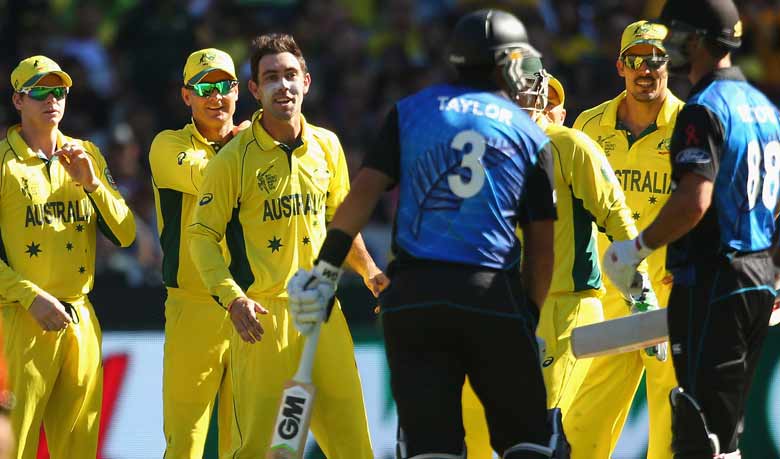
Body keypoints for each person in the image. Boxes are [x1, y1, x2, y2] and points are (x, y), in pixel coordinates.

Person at [286, 9, 570, 459]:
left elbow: (358, 200)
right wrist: (528, 319)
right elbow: (541, 246)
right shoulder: (529, 132)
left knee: (431, 449)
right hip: (490, 294)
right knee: (530, 444)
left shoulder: (411, 111)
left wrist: (324, 271)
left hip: (414, 299)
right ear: (508, 64)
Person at [187, 33, 386, 459]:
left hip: (324, 318)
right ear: (255, 90)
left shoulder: (328, 146)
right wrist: (232, 298)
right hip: (264, 325)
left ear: (307, 82)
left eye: (290, 75)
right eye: (271, 77)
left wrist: (371, 272)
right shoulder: (232, 160)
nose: (284, 86)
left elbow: (341, 225)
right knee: (263, 452)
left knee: (355, 450)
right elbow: (200, 236)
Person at [603, 1, 780, 457]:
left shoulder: (703, 108)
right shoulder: (762, 105)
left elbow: (694, 202)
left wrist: (637, 248)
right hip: (756, 278)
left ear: (697, 40)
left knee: (699, 436)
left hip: (714, 280)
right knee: (725, 437)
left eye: (677, 35)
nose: (672, 46)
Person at [460, 60, 645, 459]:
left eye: (530, 87)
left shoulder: (569, 145)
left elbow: (617, 216)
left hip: (566, 309)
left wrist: (639, 289)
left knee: (541, 437)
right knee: (466, 435)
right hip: (500, 312)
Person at [0, 56, 135, 459]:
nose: (52, 99)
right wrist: (29, 295)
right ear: (18, 100)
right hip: (18, 321)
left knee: (78, 448)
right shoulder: (3, 164)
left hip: (80, 319)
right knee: (13, 446)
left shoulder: (85, 152)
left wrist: (93, 184)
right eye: (40, 91)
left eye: (59, 90)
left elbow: (126, 233)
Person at [569, 20, 685, 459]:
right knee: (581, 431)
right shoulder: (589, 125)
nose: (646, 69)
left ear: (668, 65)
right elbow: (573, 210)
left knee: (673, 434)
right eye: (636, 59)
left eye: (656, 59)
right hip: (608, 302)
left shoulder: (691, 126)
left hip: (672, 300)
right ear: (621, 65)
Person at [149, 48, 249, 459]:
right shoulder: (167, 145)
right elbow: (211, 179)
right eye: (205, 87)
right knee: (186, 440)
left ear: (238, 91)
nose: (216, 96)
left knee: (247, 442)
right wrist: (247, 148)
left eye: (224, 85)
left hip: (251, 306)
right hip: (194, 307)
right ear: (186, 96)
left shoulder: (254, 144)